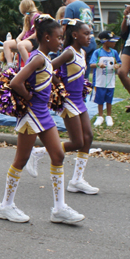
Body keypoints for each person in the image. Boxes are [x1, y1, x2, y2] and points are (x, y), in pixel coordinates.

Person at [0, 16, 85, 224]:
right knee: (20, 160)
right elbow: (17, 82)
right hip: (31, 116)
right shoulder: (37, 58)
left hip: (43, 115)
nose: (61, 42)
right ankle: (5, 206)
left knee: (58, 156)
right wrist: (29, 98)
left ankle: (59, 208)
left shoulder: (44, 59)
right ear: (46, 37)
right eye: (58, 38)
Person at [24, 20, 99, 195]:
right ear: (75, 35)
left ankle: (77, 180)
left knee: (88, 137)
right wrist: (59, 86)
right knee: (78, 142)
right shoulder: (68, 52)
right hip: (69, 101)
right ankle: (39, 152)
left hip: (79, 101)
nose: (90, 37)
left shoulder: (82, 52)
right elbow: (49, 69)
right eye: (86, 34)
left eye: (90, 34)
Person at [90, 31, 121, 127]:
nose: (114, 43)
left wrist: (117, 65)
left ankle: (108, 116)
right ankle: (100, 116)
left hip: (110, 80)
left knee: (109, 98)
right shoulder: (97, 52)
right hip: (100, 80)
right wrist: (98, 64)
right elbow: (91, 64)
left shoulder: (114, 52)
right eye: (112, 41)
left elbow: (119, 62)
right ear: (105, 42)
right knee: (100, 98)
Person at [2, 0, 38, 66]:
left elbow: (36, 33)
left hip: (32, 41)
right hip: (24, 39)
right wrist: (18, 39)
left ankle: (28, 65)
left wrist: (25, 40)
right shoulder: (27, 17)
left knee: (21, 45)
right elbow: (24, 32)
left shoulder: (36, 17)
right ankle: (10, 65)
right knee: (6, 44)